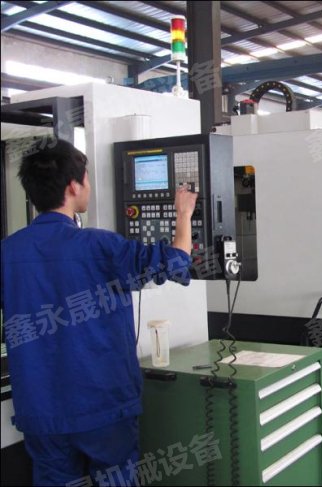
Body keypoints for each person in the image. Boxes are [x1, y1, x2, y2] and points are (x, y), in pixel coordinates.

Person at [0, 139, 198, 486]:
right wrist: (183, 215)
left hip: (40, 411)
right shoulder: (100, 246)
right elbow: (176, 262)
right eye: (87, 178)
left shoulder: (8, 251)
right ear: (73, 186)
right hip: (103, 406)